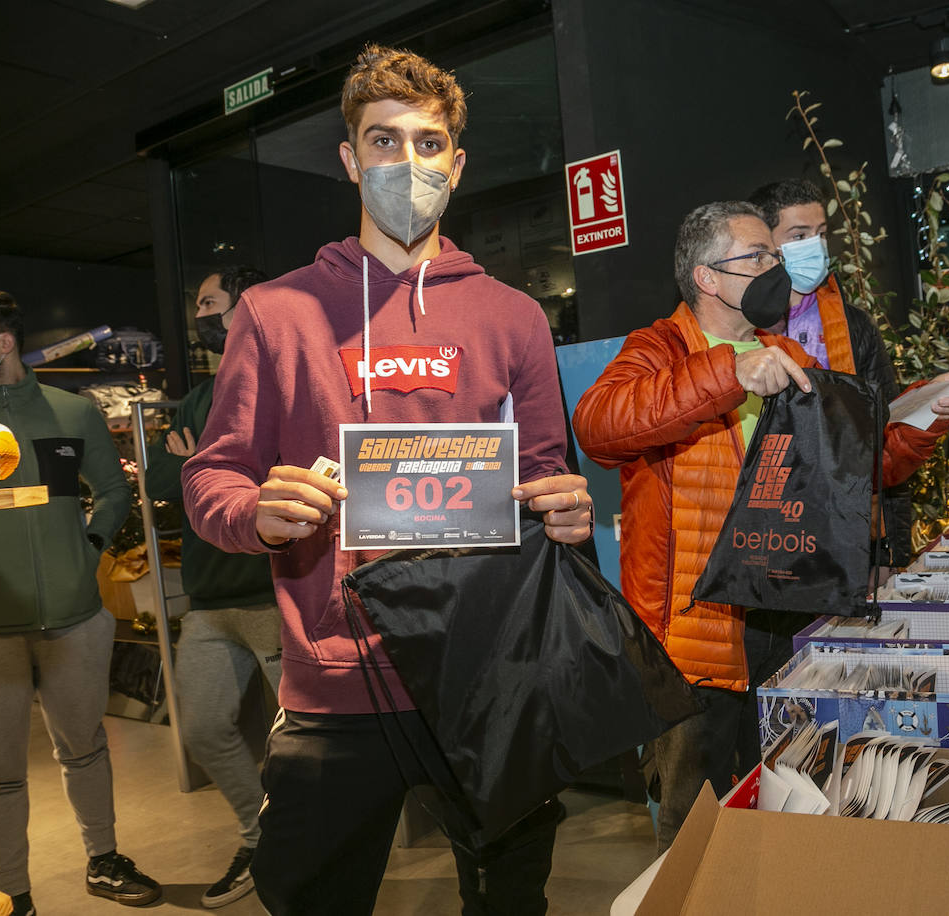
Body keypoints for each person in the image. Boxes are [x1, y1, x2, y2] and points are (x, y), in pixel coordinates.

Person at [181, 45, 593, 916]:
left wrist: (563, 508)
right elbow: (210, 476)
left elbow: (545, 470)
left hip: (483, 672)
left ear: (458, 162)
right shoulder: (277, 312)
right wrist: (258, 511)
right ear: (349, 159)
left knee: (511, 899)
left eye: (429, 143)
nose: (408, 164)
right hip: (336, 678)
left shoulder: (513, 316)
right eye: (383, 142)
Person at [572, 201, 949, 851]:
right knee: (695, 831)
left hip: (787, 622)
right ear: (707, 276)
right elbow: (600, 424)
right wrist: (726, 373)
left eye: (775, 257)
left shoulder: (784, 352)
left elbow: (856, 465)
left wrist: (926, 418)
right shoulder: (660, 348)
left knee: (786, 813)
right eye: (757, 256)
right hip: (695, 638)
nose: (774, 269)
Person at [0, 287, 161, 916]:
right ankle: (14, 897)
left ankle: (103, 859)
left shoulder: (71, 414)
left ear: (2, 340)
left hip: (75, 619)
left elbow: (113, 491)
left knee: (85, 745)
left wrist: (87, 548)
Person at [749, 179, 949, 568]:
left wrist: (926, 402)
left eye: (821, 234)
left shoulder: (854, 325)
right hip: (771, 533)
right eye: (799, 235)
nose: (815, 247)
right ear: (763, 244)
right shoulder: (740, 329)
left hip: (852, 530)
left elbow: (885, 429)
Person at [143, 265, 278, 909]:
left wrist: (196, 461)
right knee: (201, 730)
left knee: (306, 743)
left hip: (278, 594)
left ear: (244, 306)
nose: (199, 314)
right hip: (209, 602)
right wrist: (198, 468)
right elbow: (165, 484)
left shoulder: (283, 377)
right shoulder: (199, 397)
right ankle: (261, 834)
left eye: (208, 302)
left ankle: (304, 838)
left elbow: (272, 478)